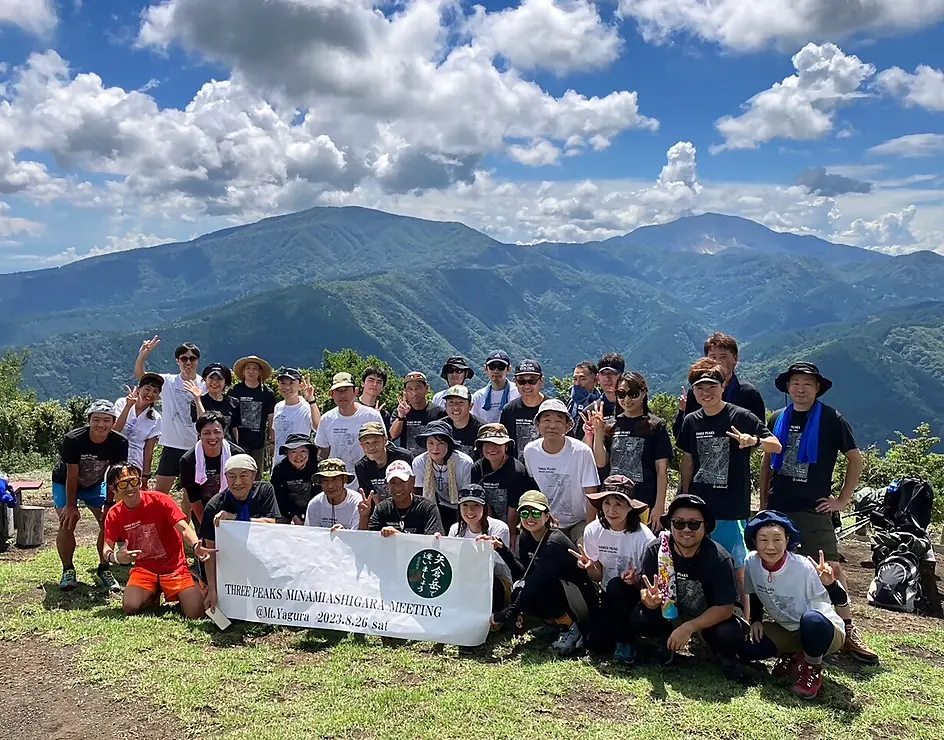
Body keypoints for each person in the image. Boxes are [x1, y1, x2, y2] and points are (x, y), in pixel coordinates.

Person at [759, 362, 877, 664]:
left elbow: (855, 458)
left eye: (807, 384)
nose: (800, 389)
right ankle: (792, 627)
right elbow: (767, 461)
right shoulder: (777, 417)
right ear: (788, 387)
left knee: (830, 567)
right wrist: (763, 503)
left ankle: (847, 629)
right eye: (795, 383)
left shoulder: (831, 419)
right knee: (781, 567)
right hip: (779, 506)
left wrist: (842, 500)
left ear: (817, 388)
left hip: (814, 508)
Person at [677, 358, 781, 613]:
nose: (706, 393)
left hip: (731, 509)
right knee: (700, 565)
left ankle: (744, 621)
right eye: (700, 388)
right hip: (700, 508)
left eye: (711, 387)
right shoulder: (691, 420)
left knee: (737, 569)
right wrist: (684, 495)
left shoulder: (741, 416)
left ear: (723, 387)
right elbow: (688, 460)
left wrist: (753, 440)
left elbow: (776, 445)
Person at [633, 495, 745, 680]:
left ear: (705, 527)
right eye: (679, 523)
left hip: (707, 616)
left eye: (694, 524)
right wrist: (649, 600)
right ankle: (662, 645)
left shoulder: (718, 557)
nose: (686, 529)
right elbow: (645, 590)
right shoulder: (656, 550)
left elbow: (725, 608)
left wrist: (689, 627)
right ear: (670, 525)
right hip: (669, 611)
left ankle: (723, 656)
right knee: (641, 616)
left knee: (729, 633)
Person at [738, 511, 847, 699]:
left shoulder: (803, 567)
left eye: (777, 539)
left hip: (824, 631)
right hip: (788, 629)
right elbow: (754, 591)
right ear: (754, 541)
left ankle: (812, 668)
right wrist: (755, 620)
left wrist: (830, 584)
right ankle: (794, 653)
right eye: (763, 540)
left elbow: (840, 599)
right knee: (744, 649)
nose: (770, 546)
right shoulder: (751, 562)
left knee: (811, 620)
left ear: (787, 540)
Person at [490, 491, 599, 657]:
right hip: (557, 591)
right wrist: (503, 550)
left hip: (579, 598)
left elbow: (536, 583)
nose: (529, 518)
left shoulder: (554, 542)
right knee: (521, 590)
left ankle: (571, 629)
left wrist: (503, 616)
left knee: (540, 586)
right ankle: (555, 624)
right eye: (524, 513)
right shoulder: (526, 536)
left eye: (536, 513)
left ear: (547, 516)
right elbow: (524, 574)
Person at [103, 462, 211, 618]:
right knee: (130, 606)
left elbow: (183, 527)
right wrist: (116, 557)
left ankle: (195, 583)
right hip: (145, 570)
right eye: (123, 484)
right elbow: (106, 548)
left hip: (174, 568)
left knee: (195, 612)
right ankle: (153, 593)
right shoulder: (114, 514)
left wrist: (195, 545)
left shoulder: (160, 500)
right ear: (113, 489)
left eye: (134, 481)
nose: (130, 488)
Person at [51, 400, 130, 592]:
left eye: (106, 420)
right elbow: (71, 474)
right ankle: (68, 570)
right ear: (89, 420)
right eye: (96, 420)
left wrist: (109, 504)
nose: (101, 425)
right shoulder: (74, 439)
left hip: (95, 484)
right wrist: (71, 505)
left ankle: (104, 567)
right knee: (67, 522)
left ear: (113, 422)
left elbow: (115, 475)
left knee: (108, 523)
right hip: (65, 482)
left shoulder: (119, 442)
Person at [575, 482, 656, 662]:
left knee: (617, 585)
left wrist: (635, 581)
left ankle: (626, 642)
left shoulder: (645, 538)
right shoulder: (593, 530)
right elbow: (597, 577)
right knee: (595, 644)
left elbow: (650, 583)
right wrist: (590, 566)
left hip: (635, 596)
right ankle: (618, 635)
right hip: (607, 594)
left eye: (618, 504)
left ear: (630, 507)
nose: (612, 510)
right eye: (607, 503)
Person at [587, 372, 672, 530]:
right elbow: (601, 462)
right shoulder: (610, 425)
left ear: (643, 393)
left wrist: (659, 506)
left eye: (633, 394)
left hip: (644, 501)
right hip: (613, 502)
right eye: (621, 394)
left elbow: (662, 470)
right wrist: (598, 431)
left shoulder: (655, 426)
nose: (626, 400)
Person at [200, 454, 280, 611]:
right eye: (232, 476)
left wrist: (236, 519)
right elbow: (210, 551)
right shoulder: (214, 506)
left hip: (262, 558)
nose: (237, 482)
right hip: (231, 565)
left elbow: (271, 525)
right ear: (225, 478)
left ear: (254, 475)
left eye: (244, 476)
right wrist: (213, 589)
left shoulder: (265, 491)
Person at [134, 336, 206, 498]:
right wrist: (142, 356)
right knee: (160, 495)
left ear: (198, 361)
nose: (188, 362)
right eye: (184, 358)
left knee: (191, 498)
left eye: (192, 358)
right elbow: (141, 376)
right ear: (177, 361)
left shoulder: (204, 384)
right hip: (171, 446)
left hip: (195, 447)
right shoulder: (168, 381)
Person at [522, 399, 599, 545]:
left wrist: (589, 529)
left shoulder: (581, 451)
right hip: (545, 521)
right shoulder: (530, 451)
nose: (552, 426)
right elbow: (533, 488)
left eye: (558, 421)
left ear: (567, 426)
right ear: (538, 425)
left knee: (584, 551)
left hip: (579, 521)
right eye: (547, 420)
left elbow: (591, 492)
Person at [673, 332, 766, 440]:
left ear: (735, 359)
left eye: (723, 357)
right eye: (713, 357)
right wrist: (682, 411)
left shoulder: (749, 393)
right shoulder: (697, 393)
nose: (718, 362)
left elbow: (761, 434)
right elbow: (682, 436)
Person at [444, 484, 513, 612]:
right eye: (465, 505)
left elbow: (499, 562)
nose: (470, 511)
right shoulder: (455, 529)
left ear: (484, 507)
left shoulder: (500, 528)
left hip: (495, 582)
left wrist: (487, 548)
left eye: (476, 505)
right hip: (463, 580)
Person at [315, 372, 384, 490]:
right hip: (337, 483)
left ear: (355, 391)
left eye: (346, 390)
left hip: (367, 482)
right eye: (338, 390)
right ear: (331, 394)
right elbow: (323, 451)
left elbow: (383, 447)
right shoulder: (326, 419)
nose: (342, 395)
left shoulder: (371, 416)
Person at [179, 411, 245, 527]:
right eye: (207, 433)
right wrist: (206, 525)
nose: (212, 437)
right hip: (203, 509)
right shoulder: (188, 460)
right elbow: (193, 497)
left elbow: (245, 488)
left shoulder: (237, 455)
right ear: (199, 435)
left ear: (223, 433)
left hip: (233, 508)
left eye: (217, 432)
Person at [471, 423, 536, 543]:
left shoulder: (516, 471)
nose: (492, 448)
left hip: (514, 523)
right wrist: (489, 529)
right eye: (487, 444)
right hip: (488, 521)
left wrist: (510, 534)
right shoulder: (477, 468)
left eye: (497, 444)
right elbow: (481, 501)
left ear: (506, 446)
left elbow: (514, 507)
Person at [412, 420, 474, 531]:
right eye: (431, 443)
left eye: (441, 443)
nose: (435, 449)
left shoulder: (464, 463)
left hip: (460, 507)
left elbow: (467, 496)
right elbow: (419, 493)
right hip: (436, 506)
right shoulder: (419, 462)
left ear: (449, 444)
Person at [368, 460, 444, 536]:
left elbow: (431, 539)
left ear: (413, 481)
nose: (398, 487)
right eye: (393, 482)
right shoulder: (381, 509)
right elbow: (369, 538)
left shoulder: (428, 508)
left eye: (403, 481)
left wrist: (397, 535)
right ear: (387, 484)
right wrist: (364, 516)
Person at [230, 355, 277, 475]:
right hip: (239, 442)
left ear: (260, 372)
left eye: (254, 369)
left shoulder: (267, 393)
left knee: (256, 474)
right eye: (248, 368)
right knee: (240, 472)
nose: (251, 371)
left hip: (259, 442)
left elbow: (271, 419)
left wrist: (272, 441)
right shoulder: (235, 391)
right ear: (243, 371)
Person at [113, 373, 163, 485]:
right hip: (114, 456)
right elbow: (115, 431)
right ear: (139, 389)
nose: (150, 394)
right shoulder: (122, 403)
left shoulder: (156, 418)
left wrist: (145, 475)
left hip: (135, 462)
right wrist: (128, 406)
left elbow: (148, 450)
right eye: (147, 389)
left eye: (155, 391)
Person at [270, 367, 320, 469]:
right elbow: (276, 432)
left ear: (300, 385)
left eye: (291, 383)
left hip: (299, 463)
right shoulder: (278, 406)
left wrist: (311, 400)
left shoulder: (306, 407)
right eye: (283, 383)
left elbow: (318, 427)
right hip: (279, 463)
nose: (287, 387)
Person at [353, 421, 413, 503]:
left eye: (375, 442)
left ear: (385, 440)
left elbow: (413, 489)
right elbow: (373, 496)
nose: (371, 447)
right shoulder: (361, 467)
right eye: (367, 443)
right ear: (361, 445)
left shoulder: (404, 457)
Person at [390, 371, 447, 454]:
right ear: (405, 392)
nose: (414, 393)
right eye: (410, 389)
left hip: (431, 458)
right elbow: (393, 436)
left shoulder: (439, 412)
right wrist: (401, 416)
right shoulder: (400, 411)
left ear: (426, 388)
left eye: (418, 388)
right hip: (407, 459)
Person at [499, 359, 546, 460]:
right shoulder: (509, 410)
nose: (527, 385)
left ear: (542, 380)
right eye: (521, 381)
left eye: (532, 380)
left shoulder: (552, 409)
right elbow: (503, 444)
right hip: (517, 468)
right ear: (515, 382)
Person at [271, 433, 320, 524]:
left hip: (315, 509)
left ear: (309, 452)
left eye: (303, 451)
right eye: (293, 451)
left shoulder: (318, 467)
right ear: (286, 453)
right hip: (287, 510)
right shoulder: (280, 469)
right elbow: (279, 496)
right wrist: (294, 516)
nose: (298, 456)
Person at [305, 459, 365, 530]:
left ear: (344, 479)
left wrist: (344, 533)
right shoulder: (314, 504)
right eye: (325, 480)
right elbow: (311, 533)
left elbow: (359, 535)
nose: (330, 486)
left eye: (335, 479)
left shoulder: (357, 502)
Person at [188, 362, 241, 444]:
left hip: (228, 447)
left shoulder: (234, 403)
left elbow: (234, 429)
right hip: (207, 446)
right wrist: (197, 399)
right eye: (211, 378)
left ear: (225, 382)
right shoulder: (198, 402)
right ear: (205, 380)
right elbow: (201, 423)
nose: (214, 382)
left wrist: (236, 446)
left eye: (219, 379)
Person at [471, 350, 520, 424]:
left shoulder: (518, 393)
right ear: (486, 369)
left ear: (509, 369)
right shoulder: (478, 397)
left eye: (501, 367)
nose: (496, 371)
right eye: (492, 367)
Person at [442, 384, 483, 458]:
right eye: (451, 402)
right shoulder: (441, 427)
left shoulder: (481, 429)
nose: (455, 407)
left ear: (470, 406)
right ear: (445, 406)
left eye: (461, 402)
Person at [567, 361, 600, 440]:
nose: (577, 383)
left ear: (595, 380)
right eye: (575, 379)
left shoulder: (599, 406)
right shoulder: (570, 403)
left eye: (582, 379)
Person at [596, 353, 625, 423]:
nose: (607, 378)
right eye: (603, 373)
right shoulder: (592, 411)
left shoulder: (633, 408)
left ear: (622, 376)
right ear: (598, 378)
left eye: (612, 373)